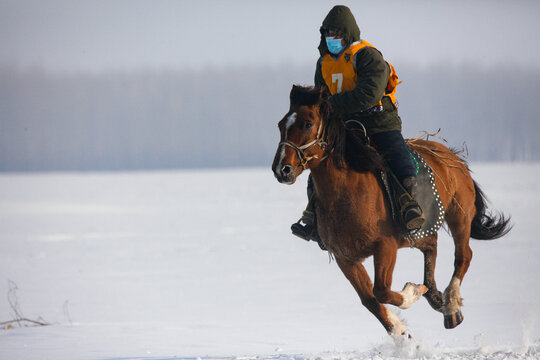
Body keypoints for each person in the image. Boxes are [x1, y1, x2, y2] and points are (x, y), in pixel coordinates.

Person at [291, 5, 425, 242]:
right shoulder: (323, 62)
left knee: (397, 156)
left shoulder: (368, 55)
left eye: (336, 35)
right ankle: (312, 217)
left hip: (379, 120)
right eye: (327, 35)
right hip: (344, 125)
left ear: (348, 34)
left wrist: (332, 105)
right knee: (319, 163)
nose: (331, 40)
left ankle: (409, 207)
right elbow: (321, 96)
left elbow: (369, 93)